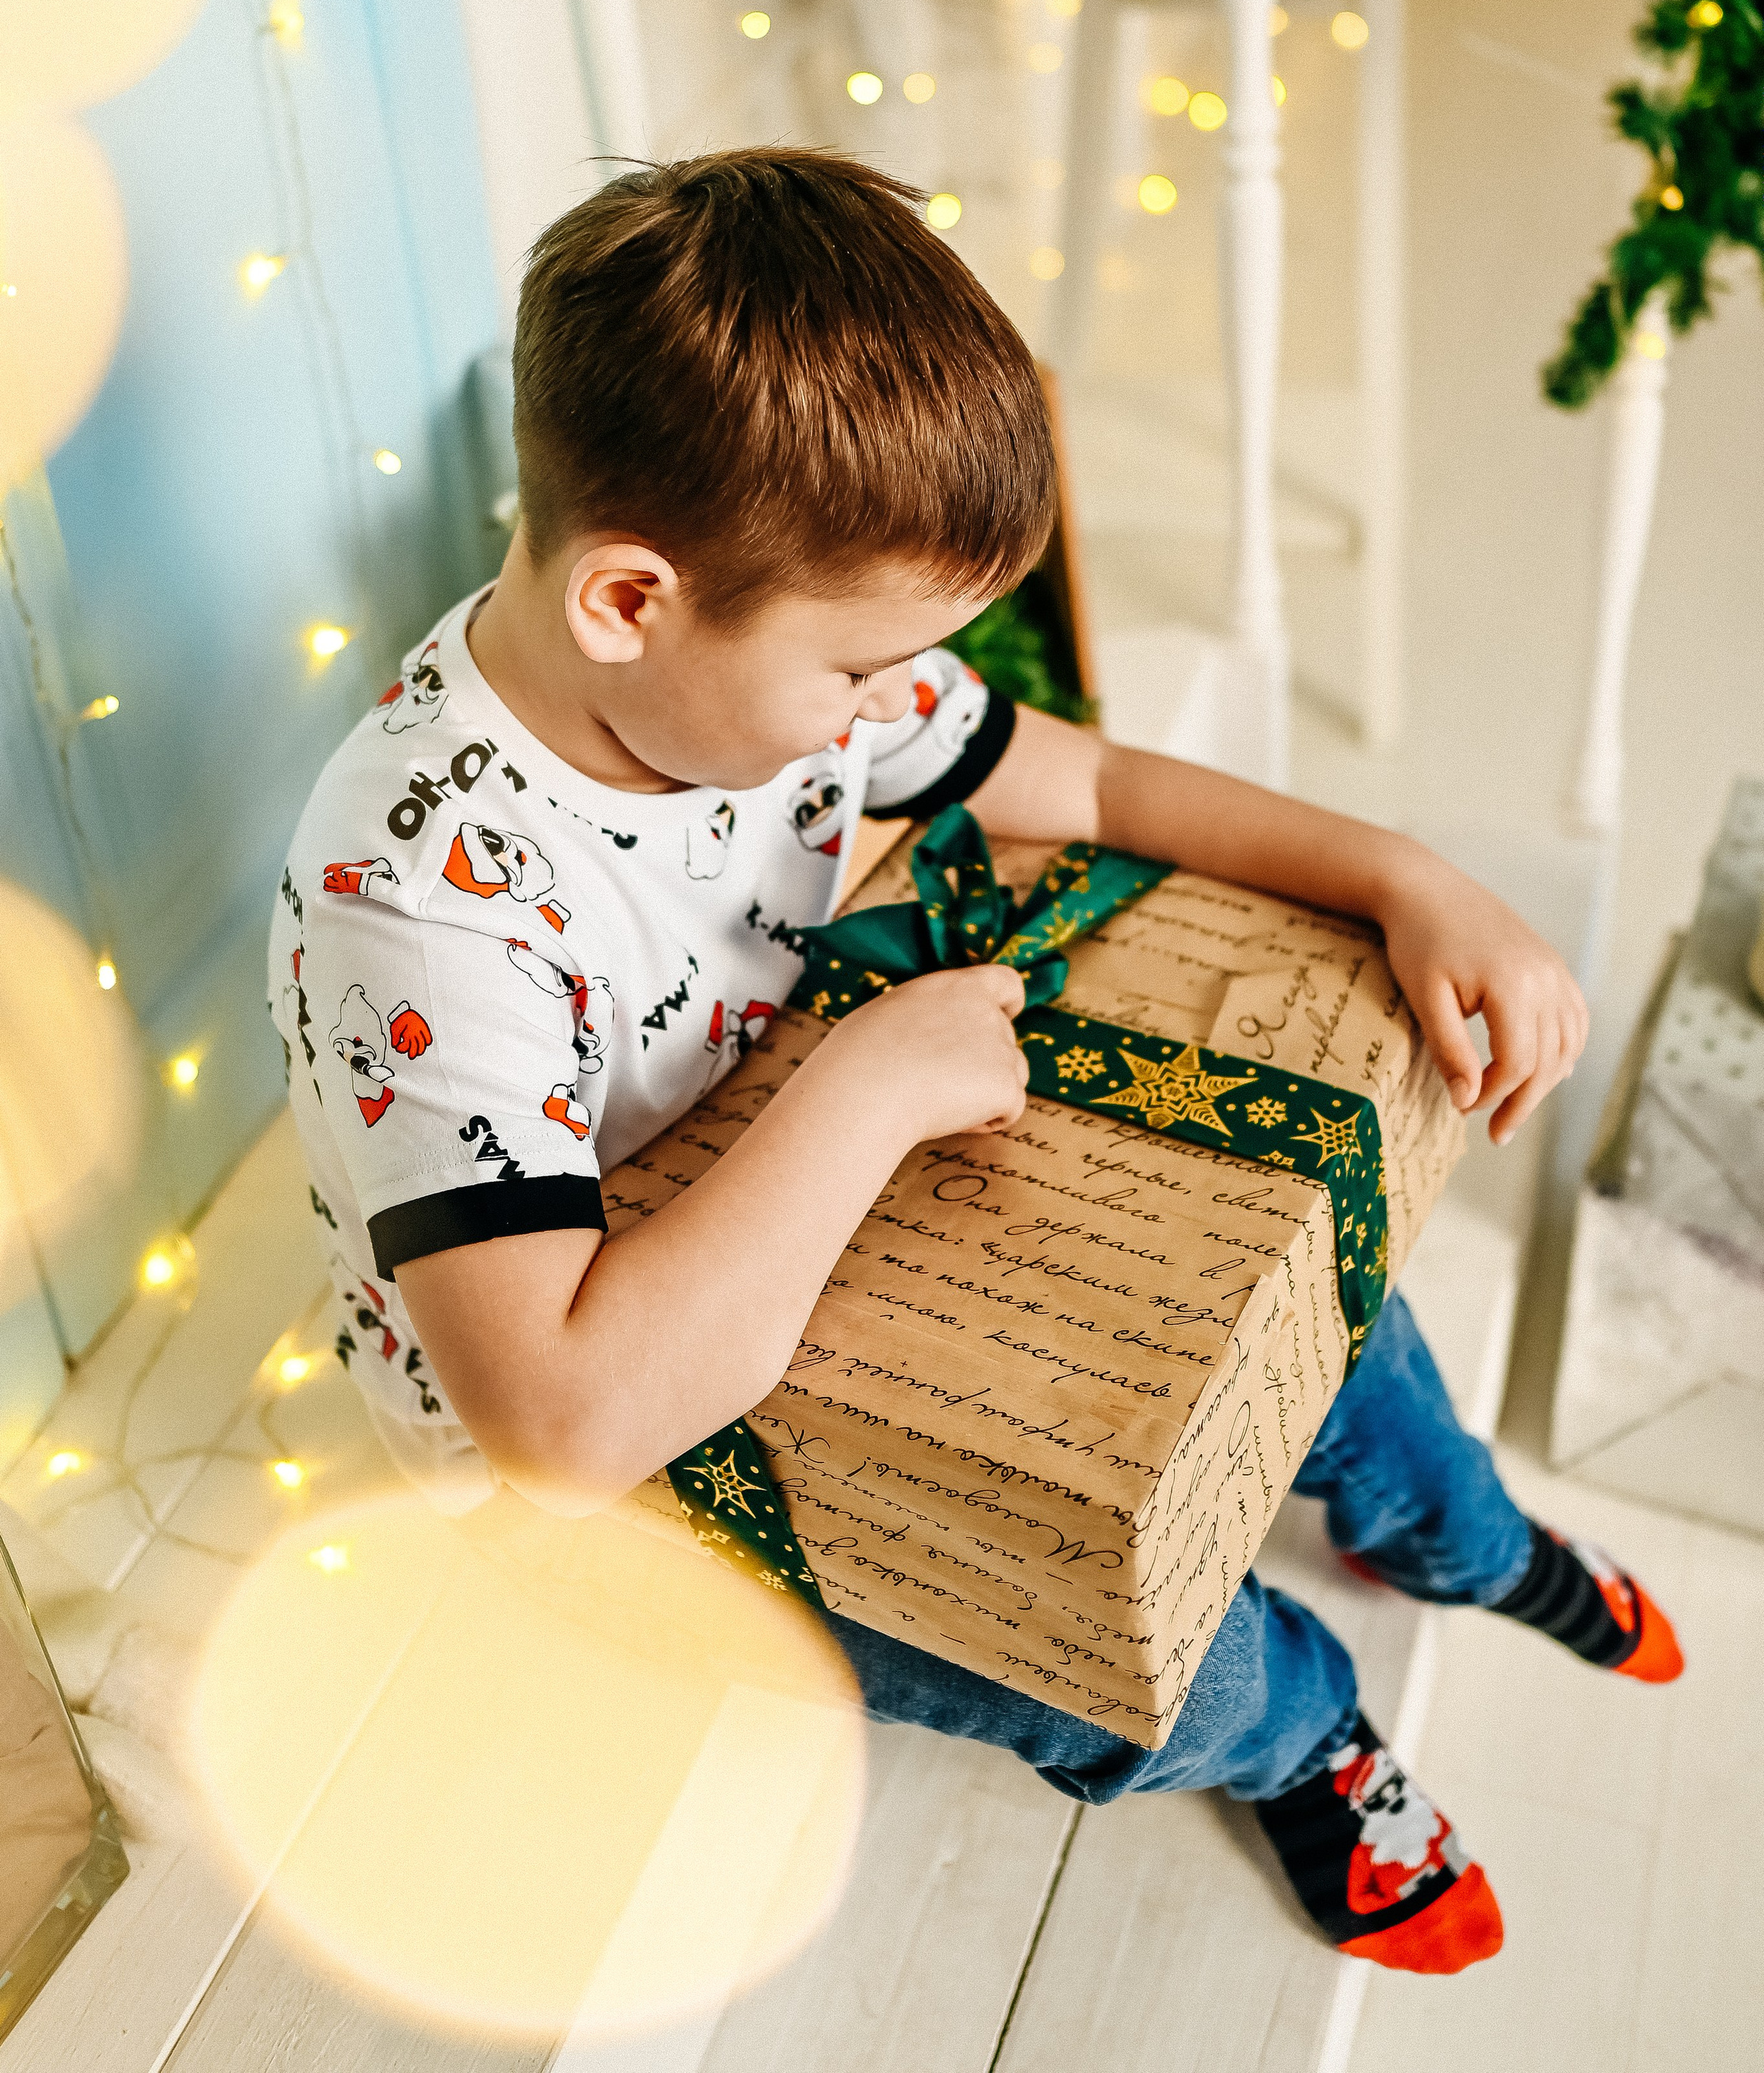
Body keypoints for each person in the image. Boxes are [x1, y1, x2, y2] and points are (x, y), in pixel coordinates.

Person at [269, 149, 1681, 1979]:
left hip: (772, 1183)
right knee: (1056, 1635)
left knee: (1300, 1296)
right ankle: (1301, 1723)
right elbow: (566, 1426)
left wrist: (1406, 876)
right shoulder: (418, 900)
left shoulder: (760, 663)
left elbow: (1086, 784)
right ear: (630, 600)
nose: (892, 713)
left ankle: (1451, 1524)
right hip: (631, 1449)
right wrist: (869, 1082)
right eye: (865, 674)